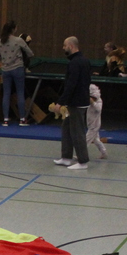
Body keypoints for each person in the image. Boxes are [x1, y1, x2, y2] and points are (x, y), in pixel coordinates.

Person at [50, 37, 91, 170]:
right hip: (77, 101)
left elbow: (71, 84)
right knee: (66, 128)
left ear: (71, 46)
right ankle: (66, 157)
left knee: (77, 131)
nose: (63, 48)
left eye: (65, 45)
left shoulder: (75, 63)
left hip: (77, 103)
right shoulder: (83, 60)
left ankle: (83, 161)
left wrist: (60, 102)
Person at [0, 21, 34, 126]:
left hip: (5, 70)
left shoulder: (0, 41)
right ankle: (22, 119)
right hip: (18, 69)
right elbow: (30, 53)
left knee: (6, 94)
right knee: (20, 93)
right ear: (14, 29)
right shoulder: (18, 40)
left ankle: (6, 119)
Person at [86, 84, 107, 159]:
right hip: (90, 123)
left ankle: (81, 155)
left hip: (94, 125)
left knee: (86, 140)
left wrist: (93, 103)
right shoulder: (89, 100)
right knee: (96, 140)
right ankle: (103, 152)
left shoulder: (99, 101)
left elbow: (98, 109)